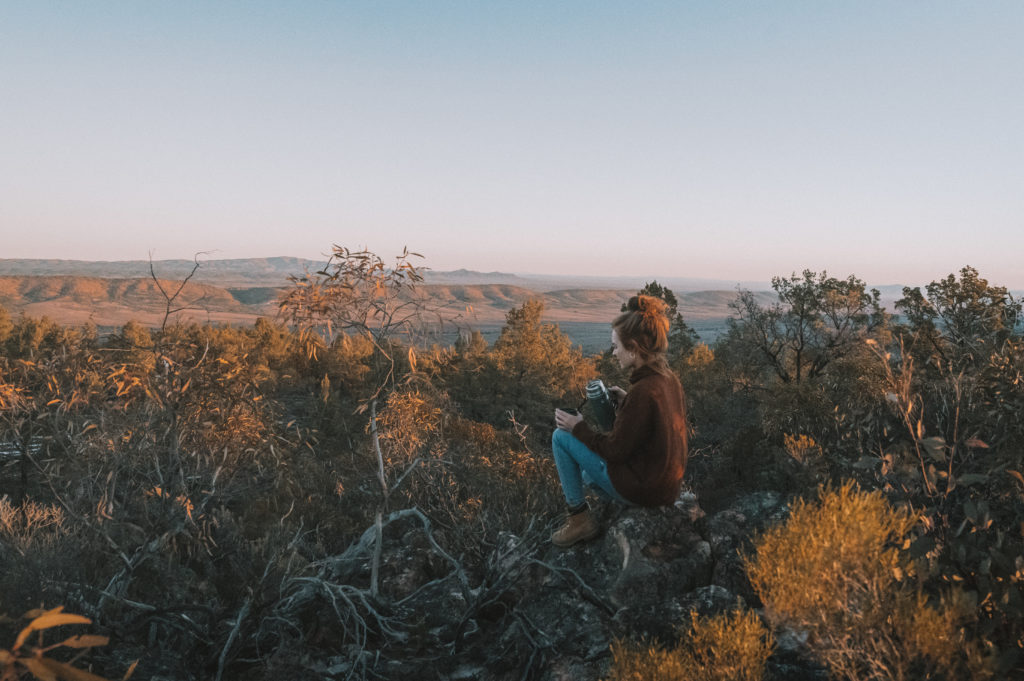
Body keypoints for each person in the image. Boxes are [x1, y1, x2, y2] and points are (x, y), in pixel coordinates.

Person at [550, 294, 689, 547]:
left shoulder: (644, 391)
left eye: (617, 346)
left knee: (560, 438)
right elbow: (658, 426)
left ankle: (579, 520)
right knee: (586, 474)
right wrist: (626, 402)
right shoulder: (668, 380)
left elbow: (615, 450)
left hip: (644, 490)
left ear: (634, 348)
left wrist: (577, 427)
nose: (614, 352)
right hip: (666, 488)